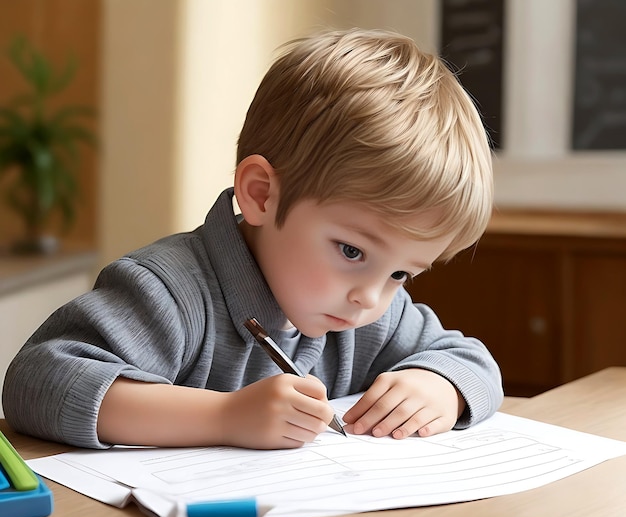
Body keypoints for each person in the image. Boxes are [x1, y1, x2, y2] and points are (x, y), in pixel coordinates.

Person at [2, 28, 503, 451]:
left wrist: (438, 386)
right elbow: (37, 382)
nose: (370, 298)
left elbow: (472, 362)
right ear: (261, 194)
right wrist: (223, 417)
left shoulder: (370, 316)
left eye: (401, 274)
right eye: (352, 251)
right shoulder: (170, 292)